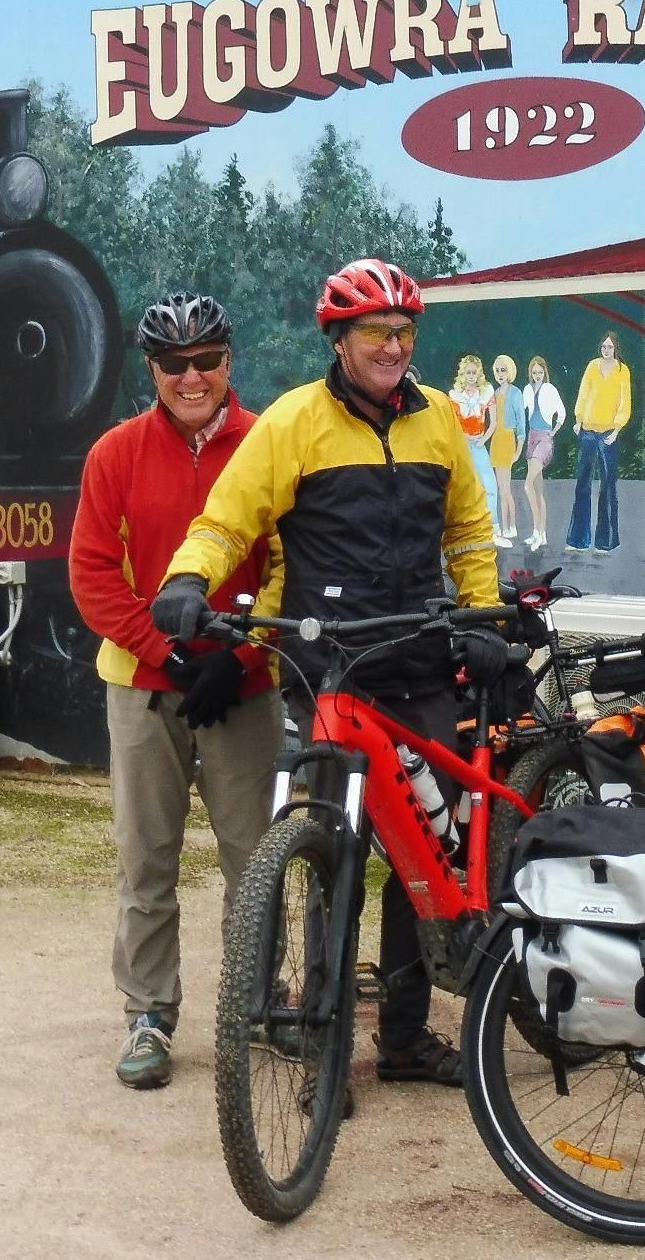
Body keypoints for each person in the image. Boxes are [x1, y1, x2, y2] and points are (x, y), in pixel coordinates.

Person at [151, 258, 498, 1087]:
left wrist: (480, 615)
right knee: (328, 854)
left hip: (417, 663)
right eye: (375, 332)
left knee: (422, 856)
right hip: (328, 675)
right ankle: (320, 1043)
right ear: (339, 340)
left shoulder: (440, 418)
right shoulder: (293, 423)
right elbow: (227, 519)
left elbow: (469, 531)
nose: (391, 346)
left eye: (403, 332)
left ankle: (407, 1039)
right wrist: (186, 580)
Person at [67, 292, 283, 1092]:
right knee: (145, 861)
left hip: (245, 686)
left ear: (230, 361)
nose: (192, 378)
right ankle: (149, 1016)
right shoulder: (114, 454)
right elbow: (91, 576)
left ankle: (259, 1003)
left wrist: (245, 653)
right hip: (143, 688)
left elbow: (289, 560)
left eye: (207, 361)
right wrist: (167, 653)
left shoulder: (268, 444)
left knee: (254, 860)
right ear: (152, 370)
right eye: (174, 365)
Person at [565, 333, 632, 554]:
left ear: (616, 348)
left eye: (610, 347)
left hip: (608, 434)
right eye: (603, 346)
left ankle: (606, 541)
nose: (606, 350)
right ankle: (578, 540)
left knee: (608, 486)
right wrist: (578, 420)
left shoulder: (623, 370)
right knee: (582, 484)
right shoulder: (592, 366)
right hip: (587, 431)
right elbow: (583, 393)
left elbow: (625, 403)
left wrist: (617, 429)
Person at [450, 353, 499, 536]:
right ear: (462, 374)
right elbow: (453, 423)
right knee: (462, 484)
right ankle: (462, 526)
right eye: (468, 372)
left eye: (474, 372)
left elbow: (493, 421)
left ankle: (492, 525)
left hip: (478, 443)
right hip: (462, 444)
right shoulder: (455, 396)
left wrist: (483, 440)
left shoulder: (486, 393)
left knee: (489, 484)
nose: (471, 376)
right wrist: (461, 440)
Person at [519, 354, 564, 548]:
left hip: (544, 437)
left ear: (545, 372)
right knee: (537, 490)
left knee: (527, 484)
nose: (537, 375)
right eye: (534, 372)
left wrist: (552, 432)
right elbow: (523, 411)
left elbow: (562, 413)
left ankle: (537, 531)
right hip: (532, 436)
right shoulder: (527, 390)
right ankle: (541, 533)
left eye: (540, 372)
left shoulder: (550, 389)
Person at [488, 354, 527, 549]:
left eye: (503, 370)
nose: (500, 374)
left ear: (509, 371)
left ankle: (511, 525)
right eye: (497, 370)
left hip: (508, 438)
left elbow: (521, 423)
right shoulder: (494, 393)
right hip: (496, 439)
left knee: (506, 488)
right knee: (499, 488)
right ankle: (503, 527)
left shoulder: (515, 393)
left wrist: (518, 449)